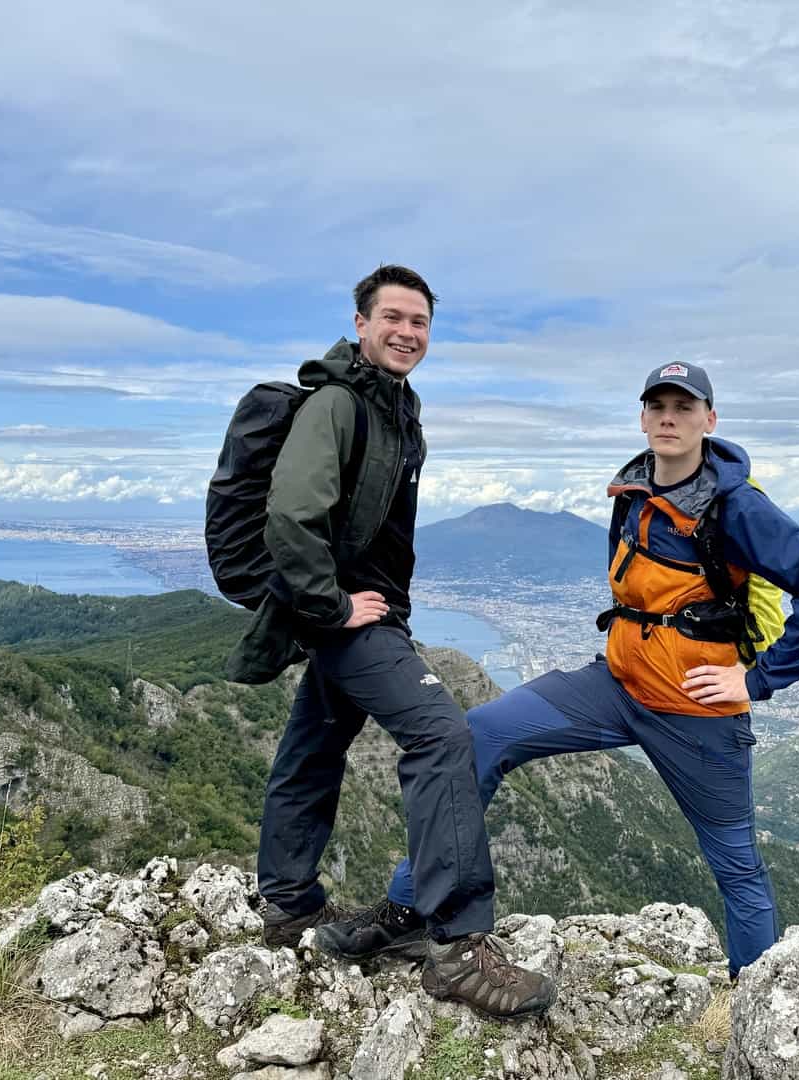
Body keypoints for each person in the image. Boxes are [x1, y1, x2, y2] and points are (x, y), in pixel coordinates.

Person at [320, 361, 799, 979]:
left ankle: (759, 1004)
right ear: (643, 416)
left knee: (736, 865)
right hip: (617, 686)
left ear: (710, 419)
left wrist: (755, 680)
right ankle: (409, 909)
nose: (669, 418)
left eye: (684, 407)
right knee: (478, 736)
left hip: (696, 710)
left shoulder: (738, 509)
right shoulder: (633, 492)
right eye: (658, 406)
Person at [240, 264, 555, 1019]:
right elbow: (291, 514)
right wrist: (332, 605)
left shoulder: (393, 406)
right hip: (351, 615)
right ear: (360, 322)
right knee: (444, 737)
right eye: (394, 318)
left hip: (367, 611)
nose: (408, 332)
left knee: (313, 746)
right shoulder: (340, 403)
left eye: (420, 322)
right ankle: (455, 948)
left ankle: (287, 903)